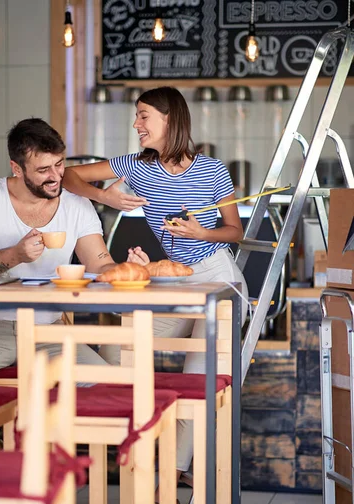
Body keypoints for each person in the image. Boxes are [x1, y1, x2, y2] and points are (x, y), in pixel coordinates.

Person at [62, 86, 248, 480]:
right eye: (136, 115)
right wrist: (107, 199)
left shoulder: (212, 169)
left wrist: (202, 234)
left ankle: (172, 473)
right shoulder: (136, 166)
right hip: (177, 282)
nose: (136, 124)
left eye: (144, 115)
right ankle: (127, 440)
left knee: (198, 381)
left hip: (219, 280)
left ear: (170, 119)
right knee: (121, 345)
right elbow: (69, 176)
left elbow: (234, 231)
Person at [0, 117, 118, 387]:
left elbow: (100, 264)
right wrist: (15, 255)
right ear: (17, 169)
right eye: (43, 170)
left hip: (48, 331)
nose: (56, 177)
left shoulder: (76, 204)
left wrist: (127, 269)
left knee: (103, 384)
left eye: (59, 164)